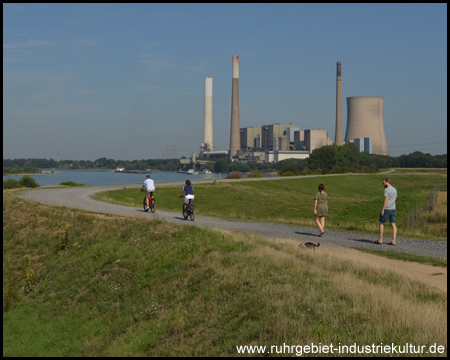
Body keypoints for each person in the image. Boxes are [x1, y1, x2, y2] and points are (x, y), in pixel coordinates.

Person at [373, 178, 397, 245]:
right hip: (393, 208)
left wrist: (383, 209)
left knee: (381, 223)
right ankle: (393, 240)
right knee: (393, 224)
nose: (383, 184)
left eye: (383, 183)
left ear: (387, 182)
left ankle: (380, 239)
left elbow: (386, 199)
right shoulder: (394, 189)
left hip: (387, 209)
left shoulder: (386, 190)